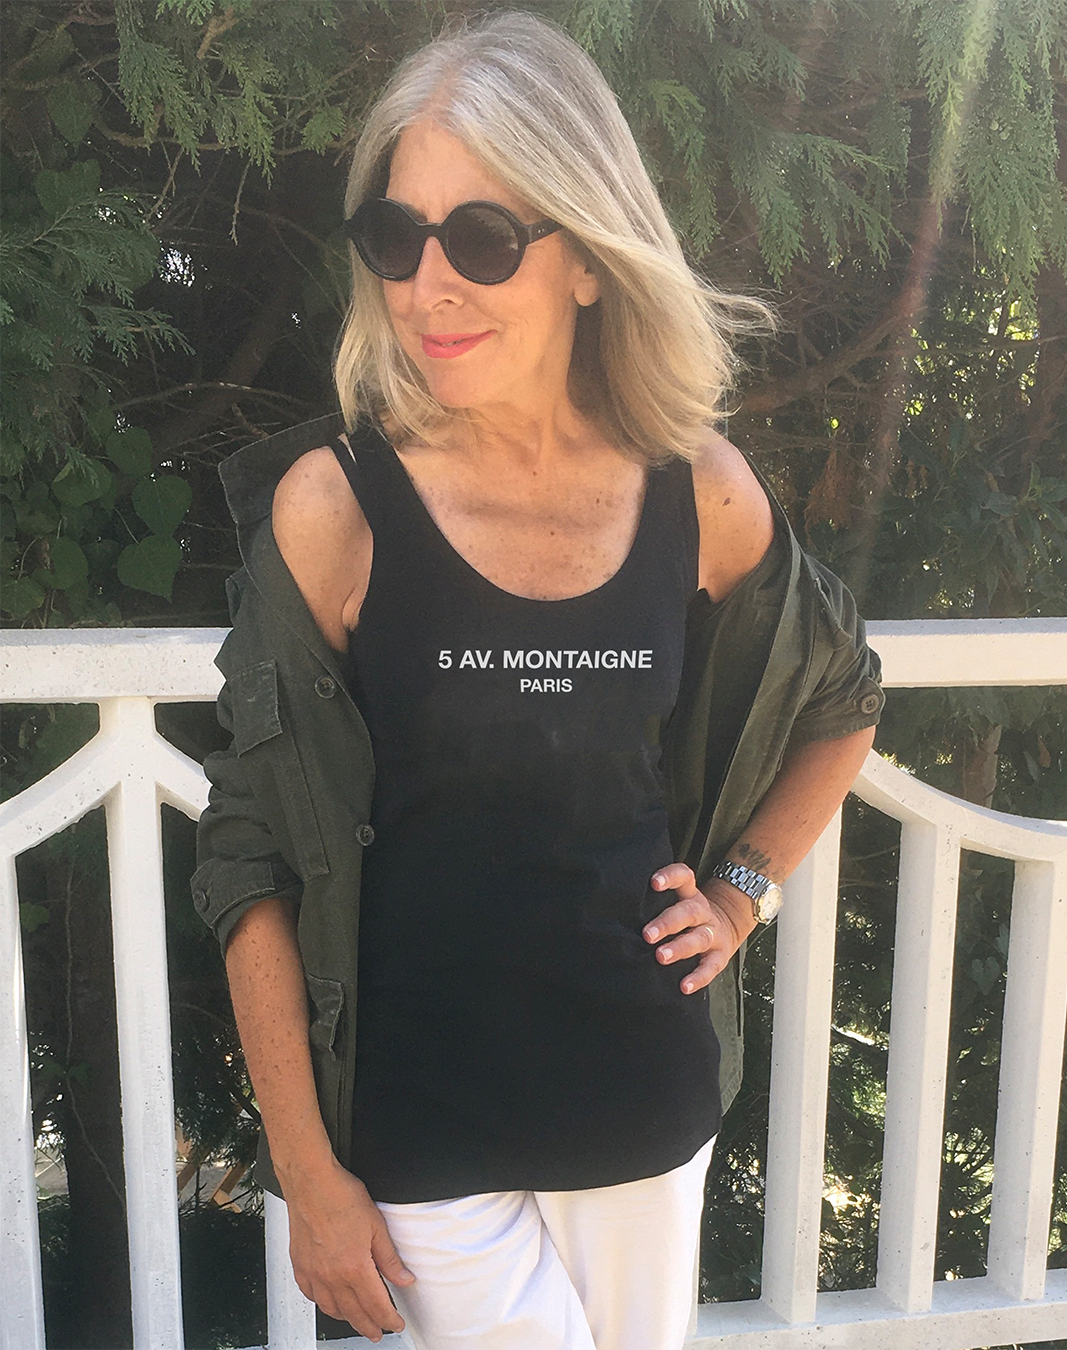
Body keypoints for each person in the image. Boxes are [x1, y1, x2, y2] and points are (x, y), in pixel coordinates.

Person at [192, 11, 883, 1349]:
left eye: (483, 239)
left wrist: (741, 891)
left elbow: (842, 700)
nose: (427, 287)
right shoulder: (337, 508)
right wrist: (307, 1168)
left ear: (589, 261)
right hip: (419, 1122)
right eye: (396, 237)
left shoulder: (697, 493)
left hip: (639, 1100)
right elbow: (247, 847)